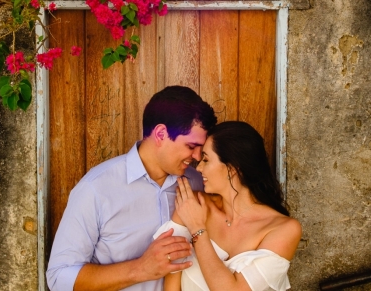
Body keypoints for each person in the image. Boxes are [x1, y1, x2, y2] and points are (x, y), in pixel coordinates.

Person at [47, 85, 218, 291]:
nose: (198, 157)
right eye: (191, 147)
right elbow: (59, 278)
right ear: (161, 134)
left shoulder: (199, 183)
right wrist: (140, 269)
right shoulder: (96, 189)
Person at [158, 121, 301, 291]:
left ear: (232, 168)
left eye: (206, 159)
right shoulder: (192, 204)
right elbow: (171, 282)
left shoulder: (284, 229)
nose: (199, 168)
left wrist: (198, 230)